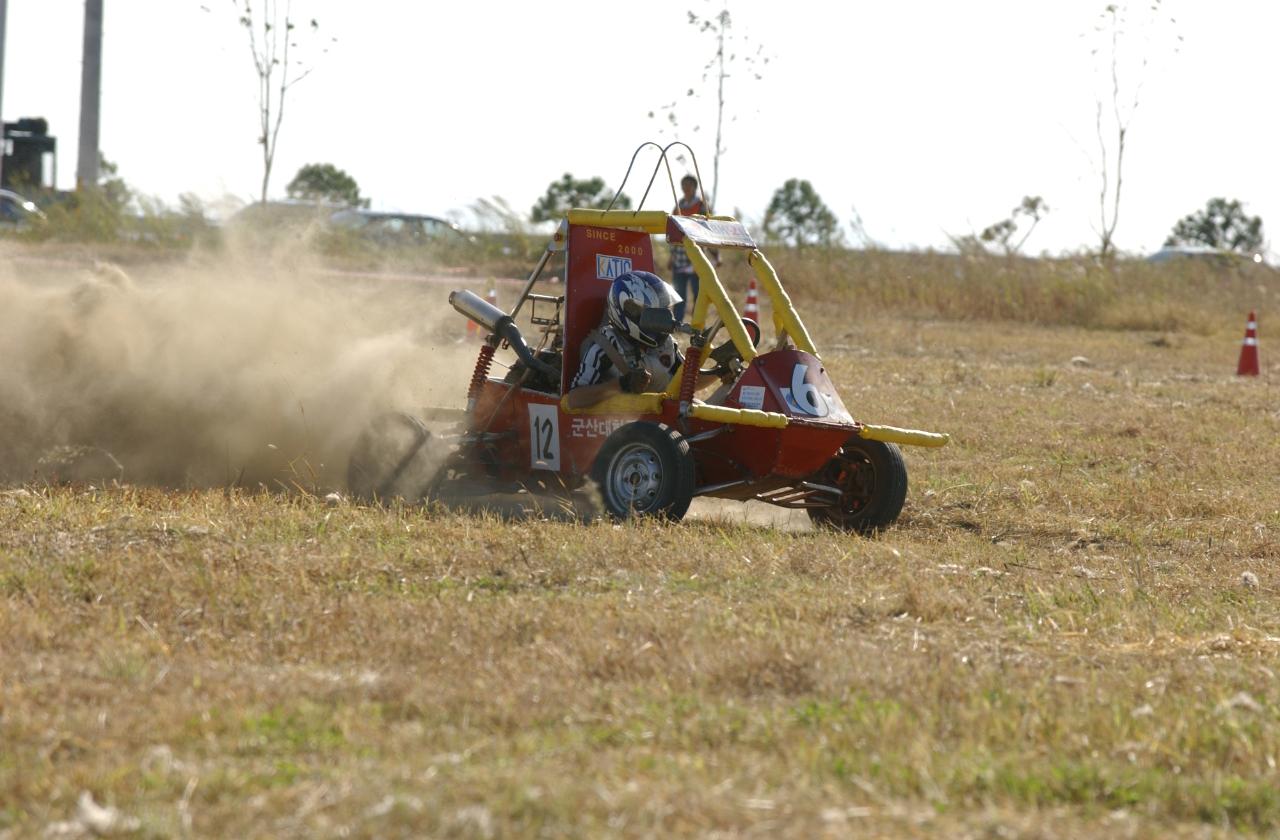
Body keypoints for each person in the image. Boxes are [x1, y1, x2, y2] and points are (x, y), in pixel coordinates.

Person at [567, 270, 721, 410]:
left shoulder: (666, 344)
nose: (664, 320)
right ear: (631, 313)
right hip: (622, 428)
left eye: (664, 312)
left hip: (660, 422)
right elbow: (575, 398)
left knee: (701, 407)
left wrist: (721, 370)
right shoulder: (605, 347)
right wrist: (622, 384)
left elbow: (687, 383)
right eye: (656, 315)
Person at [669, 174, 709, 322]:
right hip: (679, 256)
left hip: (695, 256)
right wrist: (671, 256)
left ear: (694, 187)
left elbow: (707, 230)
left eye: (689, 185)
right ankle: (677, 323)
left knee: (698, 293)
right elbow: (672, 232)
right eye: (683, 185)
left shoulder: (701, 206)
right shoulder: (678, 207)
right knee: (678, 294)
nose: (685, 188)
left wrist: (715, 255)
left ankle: (697, 324)